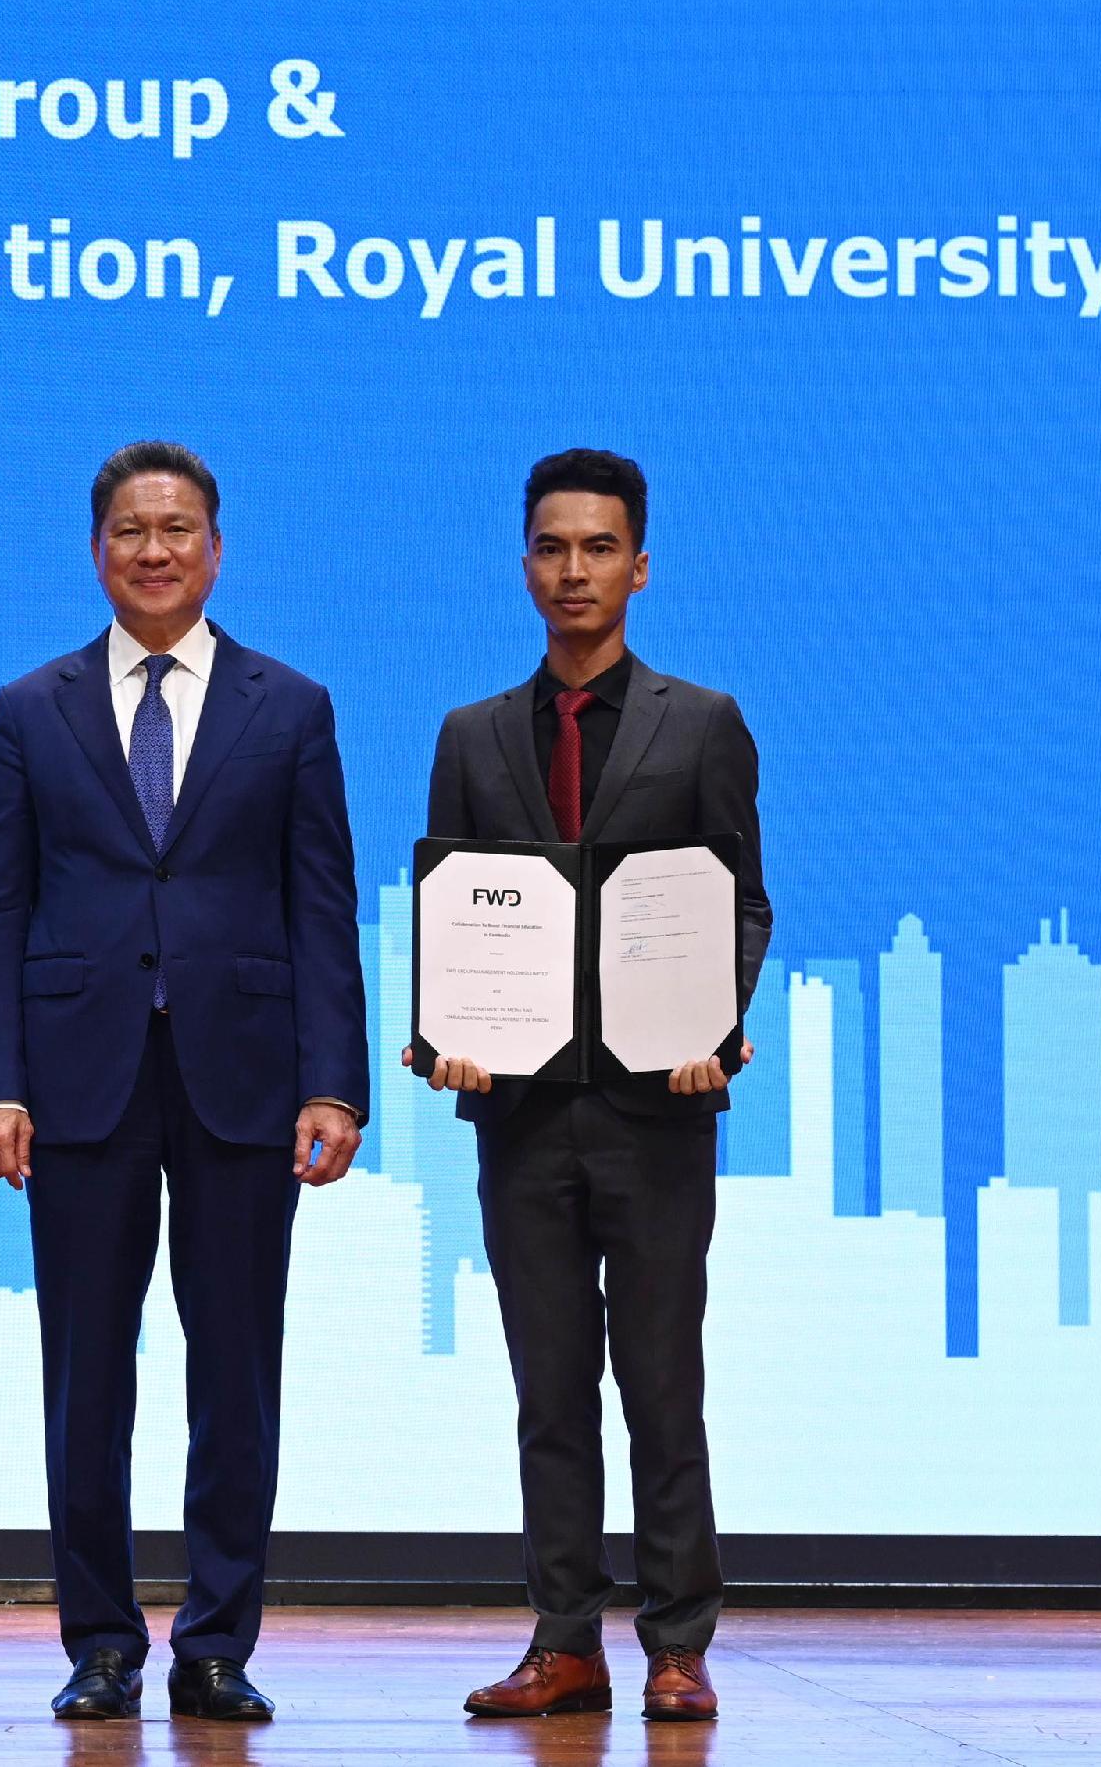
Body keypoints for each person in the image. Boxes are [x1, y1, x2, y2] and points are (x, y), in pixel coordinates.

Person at [0, 440, 365, 1725]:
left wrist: (336, 1083)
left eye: (177, 528)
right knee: (87, 1373)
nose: (153, 549)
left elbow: (320, 908)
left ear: (216, 548)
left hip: (243, 1079)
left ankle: (217, 1640)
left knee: (236, 1369)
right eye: (129, 529)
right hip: (77, 1086)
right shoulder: (32, 707)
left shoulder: (288, 705)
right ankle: (97, 1640)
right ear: (96, 551)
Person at [419, 448, 771, 1727]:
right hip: (518, 1116)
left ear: (638, 564)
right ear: (525, 565)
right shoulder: (471, 734)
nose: (573, 570)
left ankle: (678, 1643)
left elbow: (739, 901)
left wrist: (717, 1034)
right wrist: (441, 1034)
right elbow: (448, 916)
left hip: (655, 1110)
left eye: (597, 548)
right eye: (550, 548)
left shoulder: (703, 721)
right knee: (548, 1390)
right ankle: (563, 1640)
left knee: (661, 1384)